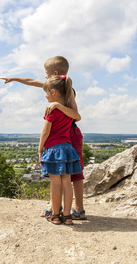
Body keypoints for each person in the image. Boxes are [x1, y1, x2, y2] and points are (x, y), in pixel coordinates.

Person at [1, 56, 86, 220]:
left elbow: (77, 116)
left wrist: (58, 106)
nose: (44, 78)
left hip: (69, 135)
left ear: (55, 73)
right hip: (64, 135)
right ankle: (57, 207)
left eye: (46, 74)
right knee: (62, 174)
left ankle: (77, 208)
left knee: (73, 173)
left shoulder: (68, 92)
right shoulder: (58, 87)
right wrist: (15, 78)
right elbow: (32, 81)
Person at [38, 75, 82, 225]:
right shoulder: (69, 110)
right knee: (67, 183)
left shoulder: (52, 111)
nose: (45, 95)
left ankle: (56, 215)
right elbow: (77, 116)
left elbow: (45, 132)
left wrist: (40, 149)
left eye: (46, 92)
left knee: (55, 183)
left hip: (53, 150)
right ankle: (68, 216)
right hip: (68, 149)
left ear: (53, 92)